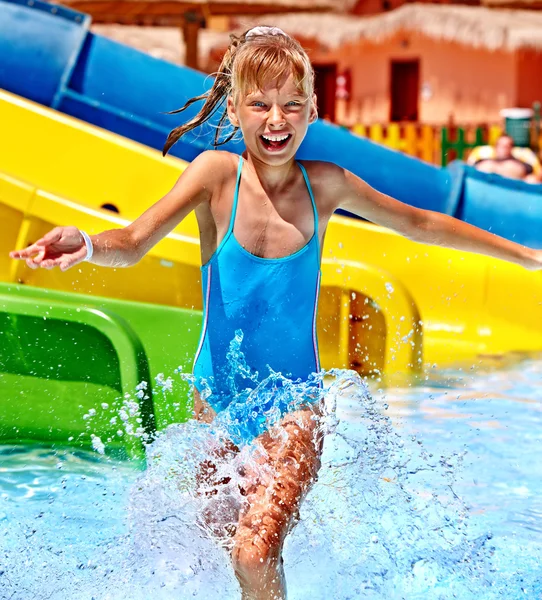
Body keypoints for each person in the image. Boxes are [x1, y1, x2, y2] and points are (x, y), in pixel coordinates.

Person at [9, 26, 542, 600]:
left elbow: (422, 223)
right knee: (215, 557)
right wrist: (86, 244)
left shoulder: (327, 185)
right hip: (215, 408)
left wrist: (528, 256)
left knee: (254, 550)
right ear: (235, 110)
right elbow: (136, 240)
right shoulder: (216, 176)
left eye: (291, 103)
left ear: (313, 110)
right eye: (259, 104)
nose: (276, 117)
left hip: (294, 406)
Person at [471, 134, 541, 183]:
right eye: (501, 145)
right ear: (495, 147)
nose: (504, 148)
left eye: (507, 145)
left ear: (512, 148)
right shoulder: (483, 161)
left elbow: (535, 173)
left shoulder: (521, 163)